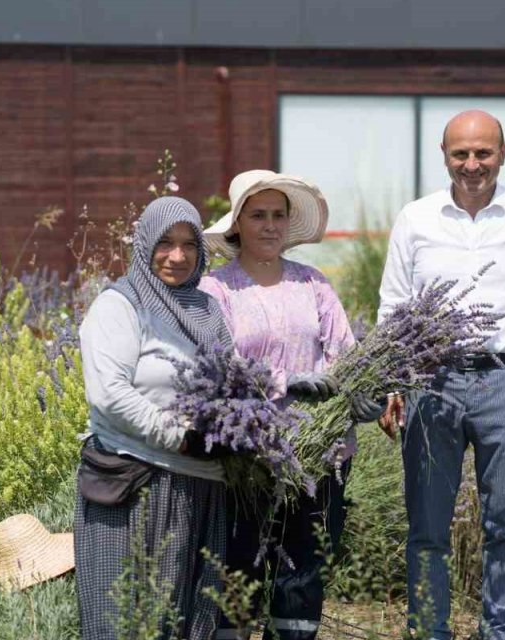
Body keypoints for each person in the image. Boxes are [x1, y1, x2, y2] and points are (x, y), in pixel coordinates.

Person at [376, 109, 505, 640]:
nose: (472, 164)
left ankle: (499, 631)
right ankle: (429, 630)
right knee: (427, 528)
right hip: (430, 383)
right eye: (461, 153)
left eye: (483, 153)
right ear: (444, 155)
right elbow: (394, 306)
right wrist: (393, 379)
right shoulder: (416, 218)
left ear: (503, 154)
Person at [200, 170, 382, 640]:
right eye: (258, 215)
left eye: (278, 215)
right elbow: (219, 367)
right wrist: (285, 383)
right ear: (237, 223)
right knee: (238, 576)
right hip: (247, 459)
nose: (269, 225)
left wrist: (361, 395)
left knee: (302, 577)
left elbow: (345, 352)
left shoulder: (313, 284)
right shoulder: (217, 290)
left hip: (318, 459)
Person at [75, 196, 233, 640]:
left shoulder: (207, 311)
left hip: (200, 486)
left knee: (183, 621)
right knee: (123, 618)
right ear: (144, 244)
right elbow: (110, 395)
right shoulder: (119, 306)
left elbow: (231, 383)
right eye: (165, 243)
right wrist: (182, 437)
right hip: (131, 484)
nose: (178, 256)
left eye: (189, 245)